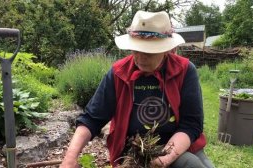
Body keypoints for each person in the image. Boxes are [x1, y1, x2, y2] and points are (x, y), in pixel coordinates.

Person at [61, 10, 214, 168]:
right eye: (136, 50)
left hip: (178, 149)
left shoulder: (184, 71)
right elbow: (92, 118)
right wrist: (70, 157)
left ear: (166, 50)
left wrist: (163, 159)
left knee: (191, 164)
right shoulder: (118, 73)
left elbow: (191, 125)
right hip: (134, 153)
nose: (140, 58)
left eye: (148, 52)